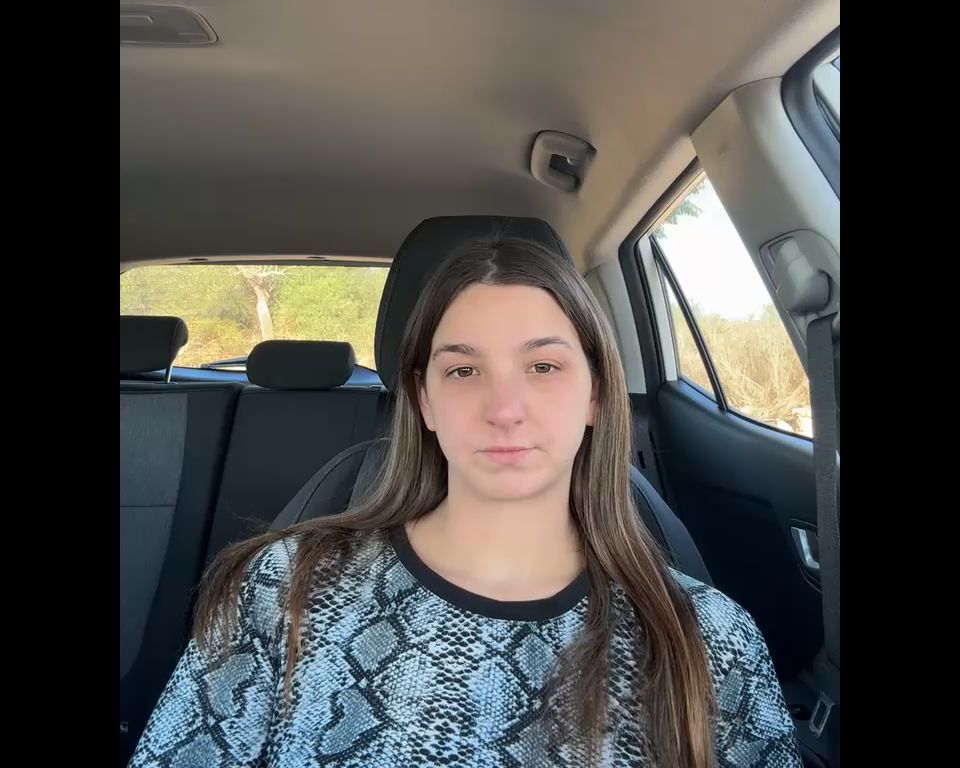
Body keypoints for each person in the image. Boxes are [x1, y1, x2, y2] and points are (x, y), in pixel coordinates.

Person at [130, 237, 802, 768]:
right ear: (424, 400)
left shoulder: (708, 638)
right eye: (463, 369)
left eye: (543, 366)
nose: (504, 409)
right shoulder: (285, 587)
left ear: (596, 394)